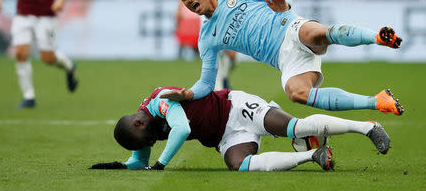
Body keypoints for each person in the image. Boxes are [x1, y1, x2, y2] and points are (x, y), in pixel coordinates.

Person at [161, 0, 404, 116]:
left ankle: (378, 37)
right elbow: (206, 82)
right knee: (296, 94)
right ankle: (377, 101)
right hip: (284, 60)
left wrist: (284, 6)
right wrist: (188, 94)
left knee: (315, 34)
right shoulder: (206, 38)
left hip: (290, 28)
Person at [90, 86, 391, 171]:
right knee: (239, 165)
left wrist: (160, 165)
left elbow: (180, 129)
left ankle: (367, 127)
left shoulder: (160, 102)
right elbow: (140, 159)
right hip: (227, 136)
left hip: (236, 107)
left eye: (150, 138)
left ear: (140, 122)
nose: (154, 140)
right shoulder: (143, 126)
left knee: (293, 128)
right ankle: (313, 155)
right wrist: (121, 166)